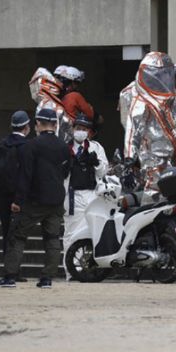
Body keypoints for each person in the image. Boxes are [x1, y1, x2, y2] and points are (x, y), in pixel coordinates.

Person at [0, 108, 71, 289]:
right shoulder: (64, 147)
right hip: (56, 200)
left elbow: (25, 176)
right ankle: (47, 278)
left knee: (17, 235)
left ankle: (10, 276)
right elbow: (65, 172)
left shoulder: (31, 146)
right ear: (56, 125)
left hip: (35, 200)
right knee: (52, 238)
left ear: (38, 124)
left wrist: (18, 201)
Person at [119, 52, 176, 196]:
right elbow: (132, 129)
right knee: (154, 186)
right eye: (158, 74)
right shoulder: (138, 97)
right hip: (150, 151)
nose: (162, 78)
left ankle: (164, 214)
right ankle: (151, 216)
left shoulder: (169, 92)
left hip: (170, 148)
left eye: (165, 74)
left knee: (169, 186)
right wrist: (129, 158)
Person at [63, 113, 108, 279]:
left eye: (84, 129)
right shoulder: (65, 148)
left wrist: (96, 162)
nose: (80, 131)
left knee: (92, 233)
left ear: (89, 132)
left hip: (92, 195)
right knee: (71, 233)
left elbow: (104, 170)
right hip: (73, 195)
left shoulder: (96, 148)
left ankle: (89, 269)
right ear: (73, 129)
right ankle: (71, 272)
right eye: (78, 128)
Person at [0, 111, 30, 257]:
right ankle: (13, 270)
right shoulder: (26, 147)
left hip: (1, 197)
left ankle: (8, 266)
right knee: (18, 234)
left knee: (6, 232)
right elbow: (26, 175)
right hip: (19, 198)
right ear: (26, 127)